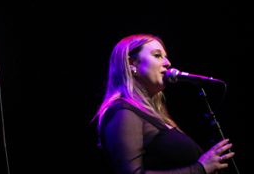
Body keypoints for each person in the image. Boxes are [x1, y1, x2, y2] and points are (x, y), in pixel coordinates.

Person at [95, 34, 234, 174]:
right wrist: (201, 168)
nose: (168, 63)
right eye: (157, 55)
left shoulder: (153, 114)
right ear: (132, 64)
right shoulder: (122, 112)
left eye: (166, 56)